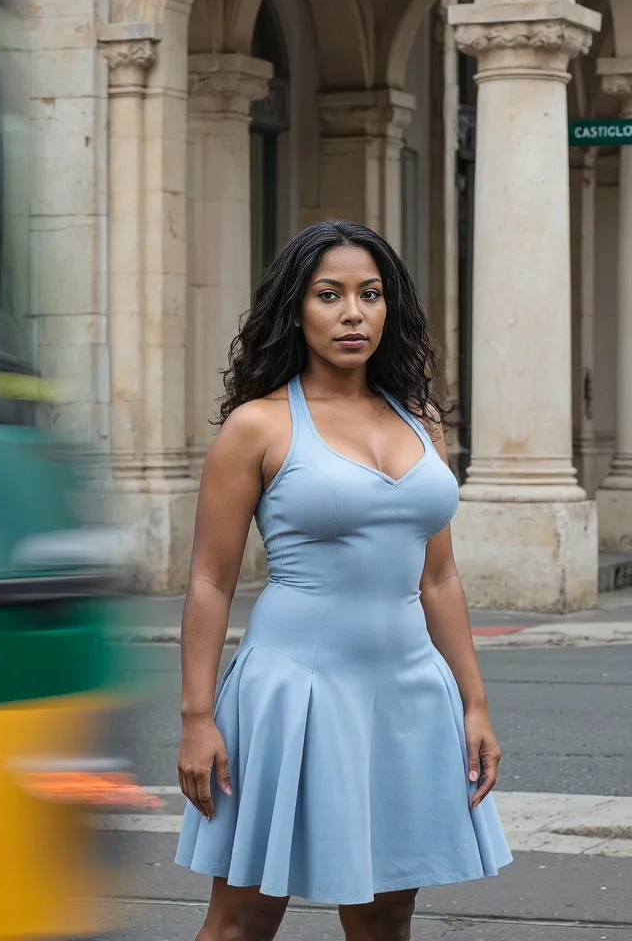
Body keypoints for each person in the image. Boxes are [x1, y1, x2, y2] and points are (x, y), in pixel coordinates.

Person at [175, 219, 511, 940]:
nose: (352, 313)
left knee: (388, 916)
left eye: (370, 294)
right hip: (291, 691)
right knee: (242, 920)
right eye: (330, 295)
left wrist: (474, 703)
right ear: (296, 309)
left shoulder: (421, 420)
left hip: (409, 692)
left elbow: (440, 577)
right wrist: (197, 719)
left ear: (391, 309)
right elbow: (209, 581)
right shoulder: (257, 427)